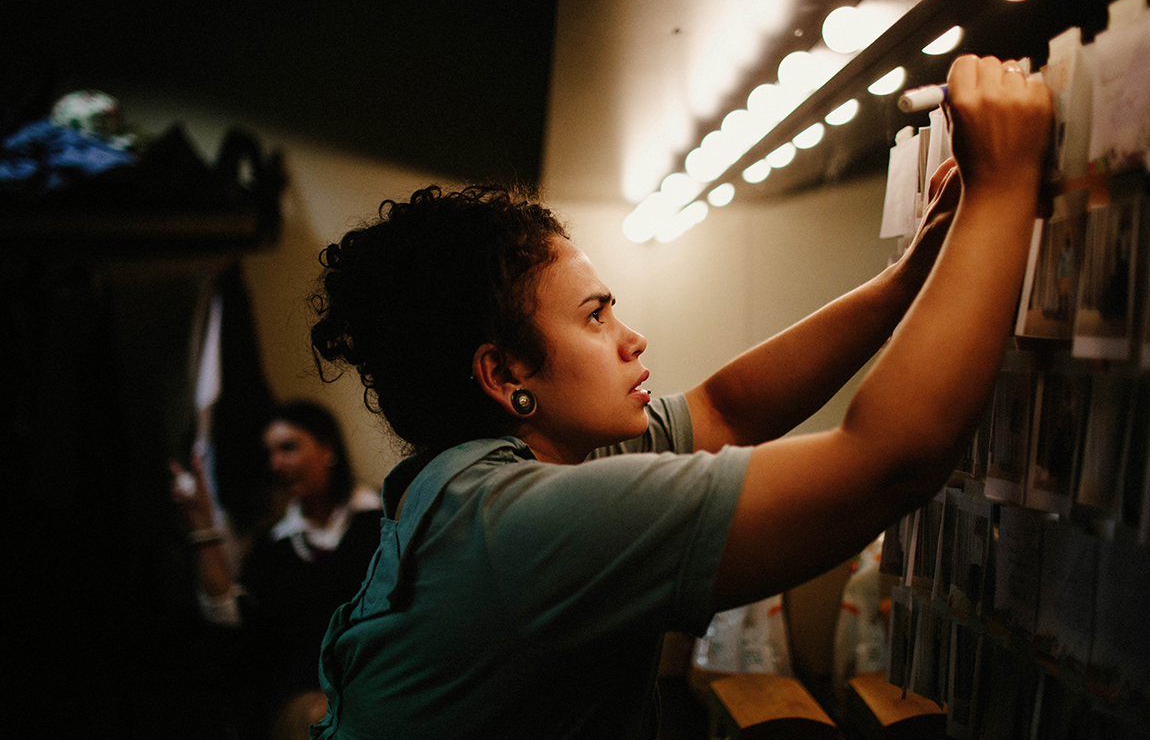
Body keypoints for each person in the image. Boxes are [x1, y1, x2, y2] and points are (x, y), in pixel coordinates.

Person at [306, 54, 1051, 739]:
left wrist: (911, 274)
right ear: (505, 378)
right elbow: (888, 465)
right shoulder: (519, 528)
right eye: (596, 315)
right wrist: (1006, 183)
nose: (632, 339)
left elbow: (727, 409)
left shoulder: (493, 474)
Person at [171, 400, 383, 740]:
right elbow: (233, 618)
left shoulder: (382, 523)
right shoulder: (274, 549)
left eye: (288, 448)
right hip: (307, 691)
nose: (276, 464)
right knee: (321, 718)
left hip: (381, 675)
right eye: (270, 453)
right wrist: (202, 526)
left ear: (327, 449)